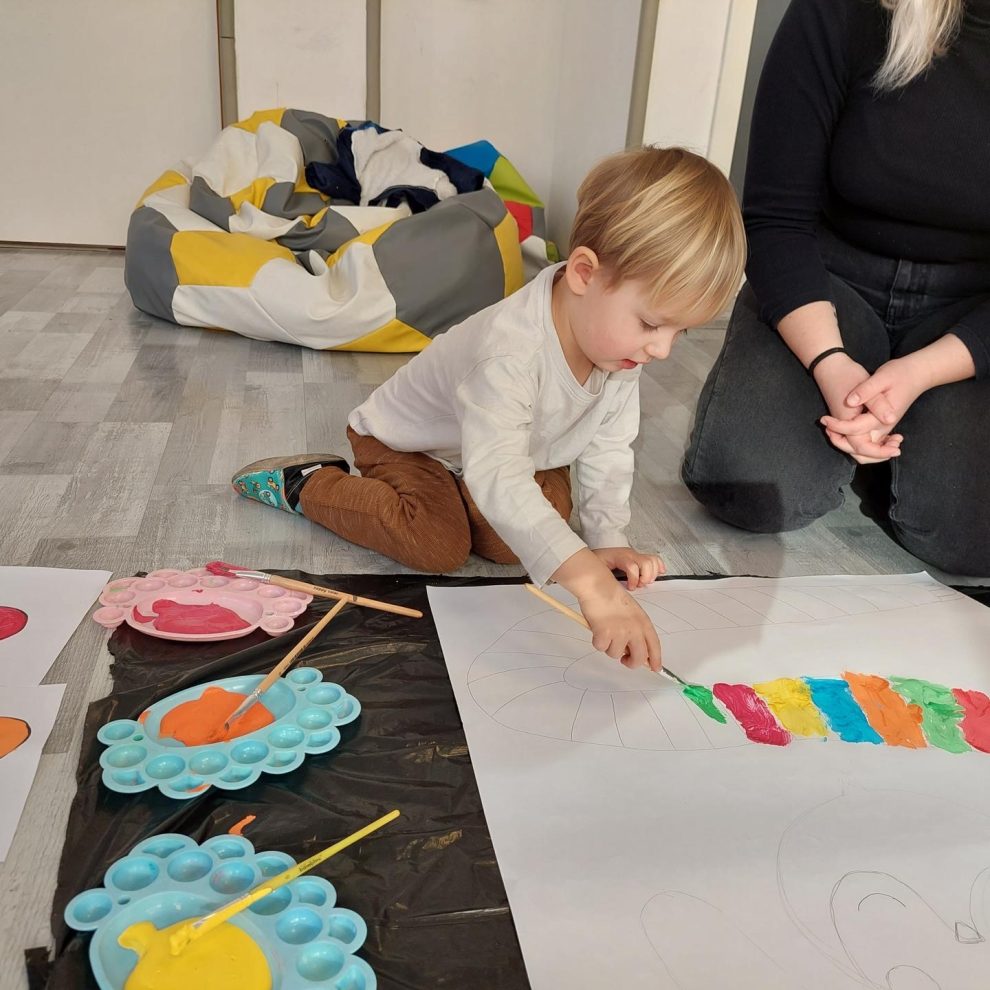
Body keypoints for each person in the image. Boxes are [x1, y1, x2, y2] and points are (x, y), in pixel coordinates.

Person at [233, 146, 746, 669]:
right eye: (652, 323)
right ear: (584, 274)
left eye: (681, 332)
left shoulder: (619, 351)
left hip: (498, 452)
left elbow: (609, 446)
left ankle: (470, 498)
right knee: (438, 545)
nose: (662, 349)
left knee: (520, 542)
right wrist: (591, 585)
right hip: (410, 444)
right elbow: (499, 474)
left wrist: (606, 540)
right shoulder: (510, 349)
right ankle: (308, 484)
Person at [682, 0, 990, 576]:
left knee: (971, 542)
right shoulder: (842, 10)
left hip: (970, 319)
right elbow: (776, 217)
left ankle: (890, 450)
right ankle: (870, 425)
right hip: (828, 282)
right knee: (749, 490)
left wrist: (920, 373)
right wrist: (830, 364)